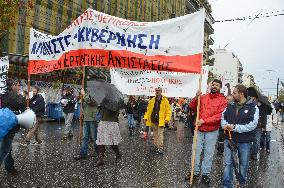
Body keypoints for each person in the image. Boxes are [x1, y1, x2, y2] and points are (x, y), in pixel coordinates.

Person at [186, 79, 227, 184]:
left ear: (220, 87)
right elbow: (191, 107)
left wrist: (204, 121)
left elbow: (219, 116)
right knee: (195, 151)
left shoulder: (223, 100)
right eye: (213, 84)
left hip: (212, 130)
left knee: (208, 153)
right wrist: (196, 97)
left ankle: (205, 174)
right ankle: (194, 172)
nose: (214, 86)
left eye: (217, 85)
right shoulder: (203, 97)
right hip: (199, 129)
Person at [221, 84, 259, 188]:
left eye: (234, 92)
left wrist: (235, 128)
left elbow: (252, 124)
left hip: (245, 142)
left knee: (243, 164)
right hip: (229, 139)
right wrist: (225, 125)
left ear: (241, 94)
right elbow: (223, 118)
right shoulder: (230, 105)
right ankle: (227, 185)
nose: (232, 94)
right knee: (227, 163)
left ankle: (241, 183)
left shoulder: (253, 107)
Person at [0, 78, 26, 175]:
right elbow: (22, 104)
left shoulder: (3, 94)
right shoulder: (12, 95)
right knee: (5, 149)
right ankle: (10, 167)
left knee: (8, 148)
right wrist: (23, 96)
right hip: (8, 126)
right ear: (13, 85)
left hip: (3, 124)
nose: (19, 87)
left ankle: (9, 167)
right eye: (18, 85)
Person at [144, 87, 171, 154]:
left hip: (161, 121)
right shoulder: (152, 100)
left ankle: (160, 148)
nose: (157, 92)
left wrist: (167, 119)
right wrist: (145, 117)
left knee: (160, 134)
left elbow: (168, 111)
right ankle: (156, 146)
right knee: (155, 134)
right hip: (153, 120)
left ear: (161, 91)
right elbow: (148, 110)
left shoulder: (165, 100)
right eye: (156, 91)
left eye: (159, 91)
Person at [74, 88, 99, 160]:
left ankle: (97, 152)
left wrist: (84, 95)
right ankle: (83, 153)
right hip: (86, 118)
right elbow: (85, 105)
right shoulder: (87, 93)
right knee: (85, 137)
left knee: (94, 137)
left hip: (93, 118)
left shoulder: (97, 94)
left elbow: (90, 102)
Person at [250, 96, 267, 161]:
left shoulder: (262, 107)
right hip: (250, 126)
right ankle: (250, 152)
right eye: (252, 98)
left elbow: (264, 117)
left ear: (257, 99)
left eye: (254, 98)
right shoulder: (250, 106)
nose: (252, 99)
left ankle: (254, 154)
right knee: (249, 140)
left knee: (256, 141)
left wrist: (263, 126)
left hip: (258, 127)